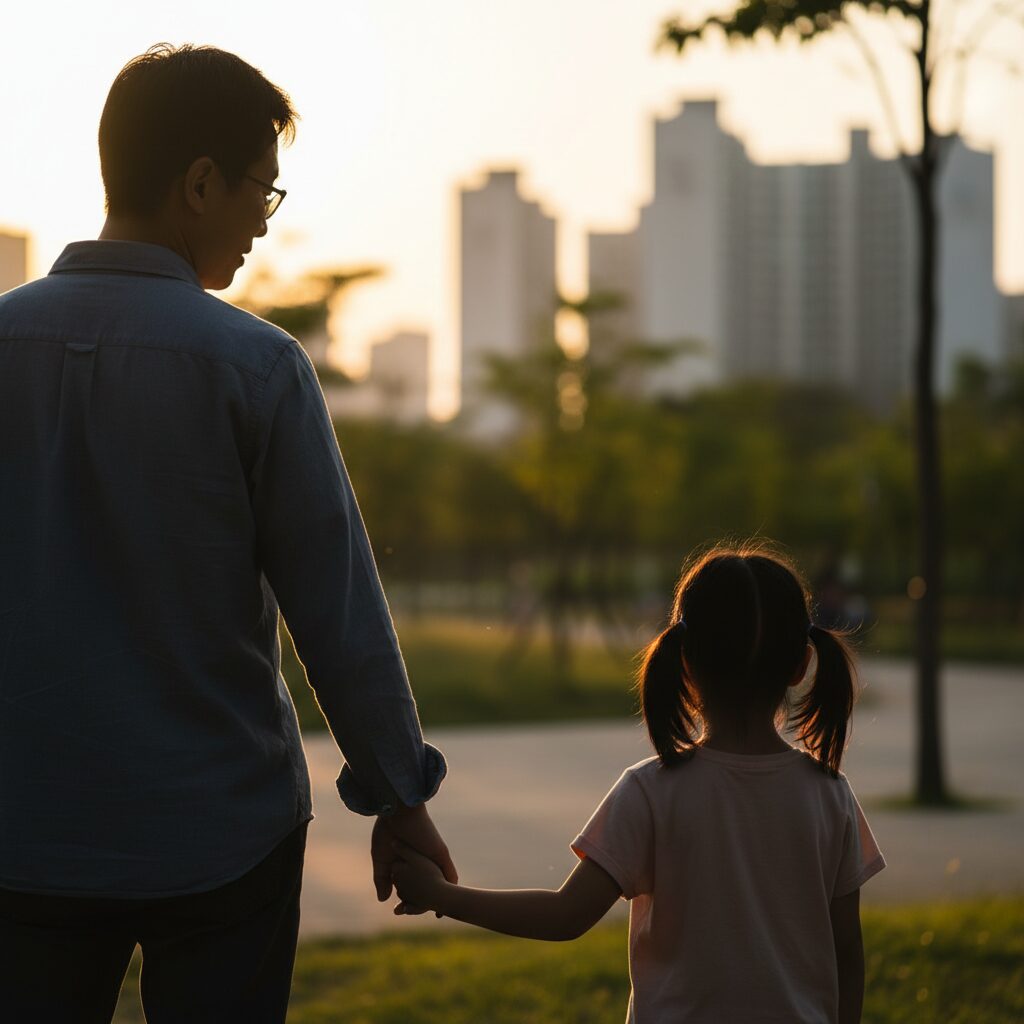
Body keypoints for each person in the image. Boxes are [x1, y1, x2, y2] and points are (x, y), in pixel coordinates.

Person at [0, 43, 453, 1023]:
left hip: (20, 834)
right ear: (200, 182)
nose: (262, 219)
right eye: (263, 190)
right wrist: (397, 794)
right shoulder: (256, 368)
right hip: (219, 837)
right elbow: (336, 611)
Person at [392, 544, 885, 1024]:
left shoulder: (652, 792)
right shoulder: (829, 795)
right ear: (801, 663)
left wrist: (441, 895)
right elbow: (847, 950)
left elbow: (566, 916)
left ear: (685, 660)